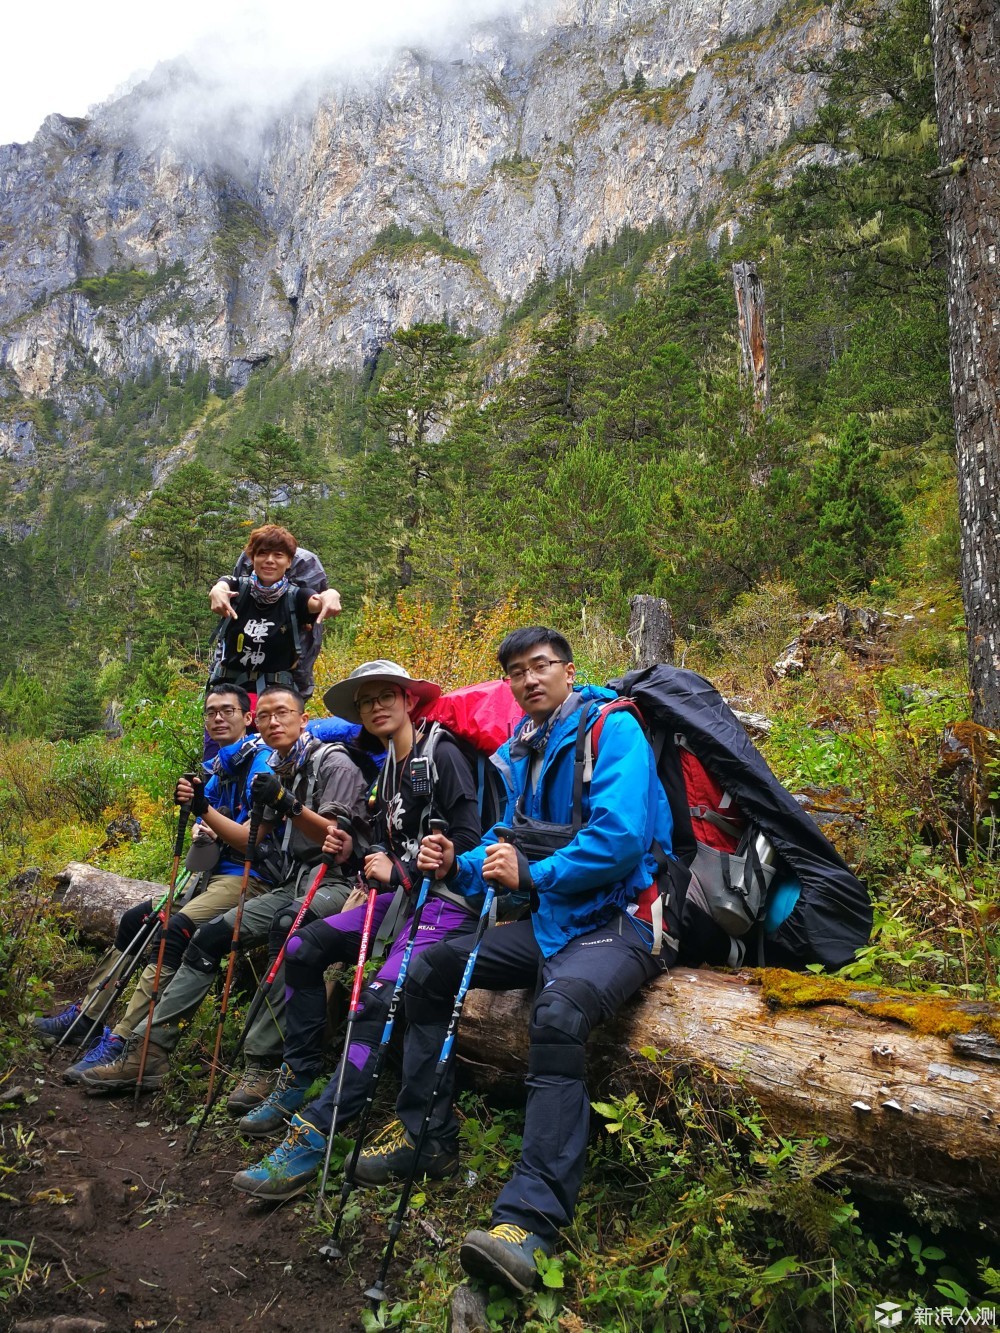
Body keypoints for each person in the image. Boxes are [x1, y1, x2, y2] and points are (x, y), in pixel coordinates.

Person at [352, 628, 676, 1296]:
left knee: (556, 1014)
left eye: (540, 667)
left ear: (568, 670)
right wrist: (457, 863)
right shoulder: (522, 750)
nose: (528, 680)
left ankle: (530, 1219)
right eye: (515, 672)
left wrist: (532, 874)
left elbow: (620, 840)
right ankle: (425, 1129)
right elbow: (503, 846)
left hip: (625, 917)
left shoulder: (613, 733)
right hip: (556, 917)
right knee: (430, 968)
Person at [231, 660, 483, 1199]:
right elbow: (382, 849)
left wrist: (407, 871)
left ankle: (316, 1134)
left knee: (375, 1002)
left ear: (409, 700)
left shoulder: (442, 754)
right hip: (402, 903)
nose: (376, 706)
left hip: (448, 906)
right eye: (366, 701)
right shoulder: (387, 768)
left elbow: (472, 840)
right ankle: (298, 1078)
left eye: (386, 695)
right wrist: (356, 853)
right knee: (301, 946)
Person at [79, 687, 369, 1098]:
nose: (272, 723)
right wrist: (206, 809)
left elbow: (337, 837)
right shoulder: (279, 768)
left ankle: (262, 1065)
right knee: (209, 935)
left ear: (303, 719)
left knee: (288, 928)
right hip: (293, 880)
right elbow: (253, 840)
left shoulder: (332, 764)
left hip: (338, 882)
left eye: (282, 713)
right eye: (265, 715)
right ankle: (150, 1053)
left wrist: (288, 804)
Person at [35, 685, 271, 1083]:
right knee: (134, 920)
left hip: (249, 878)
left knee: (168, 931)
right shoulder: (220, 766)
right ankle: (88, 1015)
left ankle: (125, 1040)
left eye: (227, 711)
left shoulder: (261, 762)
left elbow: (251, 839)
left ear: (247, 717)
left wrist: (206, 816)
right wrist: (201, 822)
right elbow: (207, 815)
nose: (217, 718)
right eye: (210, 712)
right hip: (210, 875)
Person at [207, 525, 341, 698]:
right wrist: (217, 590)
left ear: (289, 562)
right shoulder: (238, 588)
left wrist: (331, 594)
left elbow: (316, 601)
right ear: (252, 558)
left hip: (276, 697)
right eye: (262, 553)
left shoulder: (296, 596)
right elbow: (224, 584)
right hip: (230, 694)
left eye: (278, 555)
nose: (269, 560)